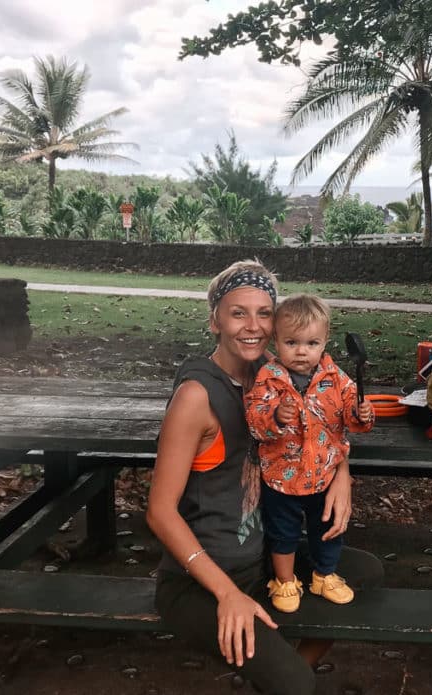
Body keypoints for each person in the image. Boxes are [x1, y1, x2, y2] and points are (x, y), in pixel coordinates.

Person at [146, 260, 382, 695]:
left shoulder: (274, 374)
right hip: (200, 579)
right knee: (295, 684)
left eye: (263, 313)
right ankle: (284, 676)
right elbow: (159, 512)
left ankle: (278, 671)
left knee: (364, 573)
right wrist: (227, 595)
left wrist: (342, 472)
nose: (252, 326)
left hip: (261, 558)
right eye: (238, 313)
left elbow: (324, 423)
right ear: (215, 320)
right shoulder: (196, 396)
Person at [244, 294, 374, 613]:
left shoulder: (337, 379)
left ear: (324, 341)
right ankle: (285, 580)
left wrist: (362, 414)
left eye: (311, 343)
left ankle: (324, 575)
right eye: (291, 342)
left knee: (327, 530)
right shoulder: (269, 380)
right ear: (276, 340)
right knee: (283, 533)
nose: (302, 351)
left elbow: (349, 418)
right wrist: (274, 417)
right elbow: (254, 420)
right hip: (281, 477)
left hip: (323, 475)